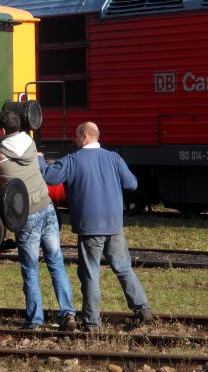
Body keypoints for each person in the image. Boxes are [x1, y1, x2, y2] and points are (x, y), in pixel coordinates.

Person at [0, 109, 77, 330]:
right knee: (56, 262)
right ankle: (68, 313)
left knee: (30, 268)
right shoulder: (28, 142)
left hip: (27, 215)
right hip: (47, 208)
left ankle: (35, 320)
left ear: (1, 130)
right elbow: (1, 147)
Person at [38, 121, 152, 330]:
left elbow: (49, 177)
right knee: (124, 268)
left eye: (75, 135)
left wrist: (39, 160)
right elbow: (132, 184)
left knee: (90, 274)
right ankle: (142, 309)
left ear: (84, 137)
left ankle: (92, 322)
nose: (74, 139)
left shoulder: (73, 160)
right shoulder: (114, 158)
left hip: (90, 227)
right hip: (114, 224)